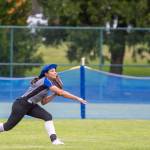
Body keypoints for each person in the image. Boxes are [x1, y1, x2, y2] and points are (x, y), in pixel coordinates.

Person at [0, 64, 87, 145]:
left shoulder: (47, 86)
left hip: (30, 106)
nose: (55, 72)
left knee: (47, 116)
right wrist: (77, 98)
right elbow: (61, 92)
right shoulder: (45, 81)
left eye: (55, 71)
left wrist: (54, 94)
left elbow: (44, 102)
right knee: (7, 126)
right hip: (21, 104)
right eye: (52, 71)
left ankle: (54, 140)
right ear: (46, 74)